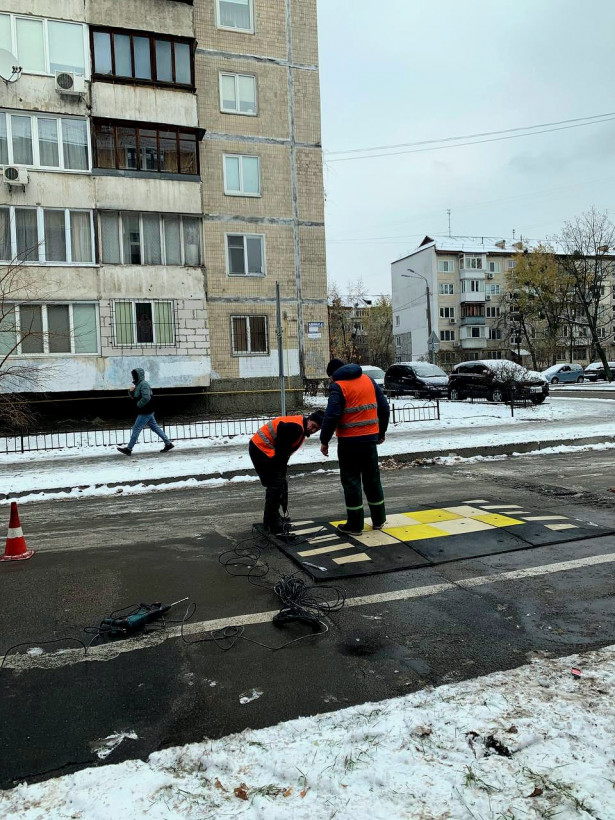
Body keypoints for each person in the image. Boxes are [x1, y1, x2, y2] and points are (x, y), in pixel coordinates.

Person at [320, 358, 389, 535]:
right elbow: (384, 408)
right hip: (369, 441)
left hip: (349, 443)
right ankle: (379, 519)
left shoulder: (338, 386)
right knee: (372, 479)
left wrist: (324, 440)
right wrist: (381, 433)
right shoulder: (368, 380)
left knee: (351, 482)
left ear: (333, 374)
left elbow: (332, 415)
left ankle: (355, 524)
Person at [250, 410, 325, 535]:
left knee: (277, 483)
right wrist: (280, 473)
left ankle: (272, 516)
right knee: (275, 484)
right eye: (313, 426)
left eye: (316, 429)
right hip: (261, 449)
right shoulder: (296, 428)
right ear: (309, 419)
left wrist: (282, 473)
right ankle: (271, 521)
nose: (312, 430)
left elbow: (284, 454)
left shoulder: (300, 428)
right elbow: (281, 451)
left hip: (264, 449)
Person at [117, 368, 174, 456]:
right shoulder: (139, 384)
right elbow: (135, 397)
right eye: (133, 375)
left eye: (134, 375)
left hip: (146, 410)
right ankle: (168, 444)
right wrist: (131, 392)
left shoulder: (144, 384)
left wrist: (139, 404)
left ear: (138, 376)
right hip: (147, 410)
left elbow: (146, 397)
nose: (133, 377)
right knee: (154, 427)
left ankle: (129, 448)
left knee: (136, 428)